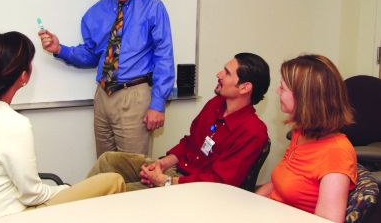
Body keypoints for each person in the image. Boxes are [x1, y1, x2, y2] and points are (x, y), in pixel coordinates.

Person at [0, 32, 126, 223]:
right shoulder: (14, 124)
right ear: (23, 76)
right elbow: (32, 195)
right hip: (12, 217)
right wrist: (64, 189)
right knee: (114, 180)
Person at [38, 0, 175, 158]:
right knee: (105, 168)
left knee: (132, 170)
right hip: (103, 97)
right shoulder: (94, 13)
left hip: (135, 96)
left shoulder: (153, 7)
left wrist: (158, 103)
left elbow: (164, 57)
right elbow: (93, 55)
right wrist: (60, 49)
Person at [87, 53, 270, 191]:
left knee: (115, 193)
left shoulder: (252, 132)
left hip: (194, 191)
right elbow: (190, 142)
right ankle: (69, 202)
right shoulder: (216, 104)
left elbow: (219, 183)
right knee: (108, 161)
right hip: (176, 172)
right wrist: (161, 165)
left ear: (245, 87)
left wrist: (165, 181)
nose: (219, 74)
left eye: (227, 73)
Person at [256, 54, 357, 223]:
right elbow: (277, 185)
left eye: (282, 88)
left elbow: (327, 220)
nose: (277, 91)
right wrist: (249, 203)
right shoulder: (301, 133)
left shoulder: (336, 153)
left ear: (304, 98)